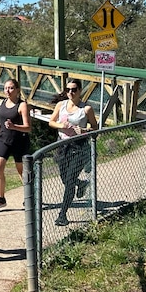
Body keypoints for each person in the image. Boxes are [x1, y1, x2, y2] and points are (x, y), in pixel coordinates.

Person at [48, 78, 99, 227]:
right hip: (62, 146)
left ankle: (62, 215)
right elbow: (51, 122)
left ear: (80, 91)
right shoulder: (61, 105)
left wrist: (84, 130)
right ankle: (81, 184)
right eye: (68, 89)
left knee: (69, 182)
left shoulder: (86, 109)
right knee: (65, 179)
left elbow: (95, 127)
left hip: (79, 147)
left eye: (74, 89)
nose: (70, 92)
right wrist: (60, 125)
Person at [0, 79, 31, 210]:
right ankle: (1, 198)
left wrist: (14, 126)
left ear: (17, 90)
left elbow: (28, 127)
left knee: (22, 171)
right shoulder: (3, 102)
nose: (7, 90)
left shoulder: (22, 105)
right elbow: (2, 120)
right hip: (3, 139)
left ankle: (30, 197)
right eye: (6, 88)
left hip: (19, 141)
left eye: (11, 88)